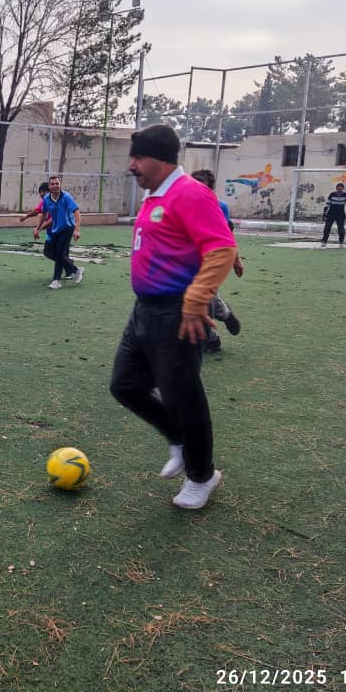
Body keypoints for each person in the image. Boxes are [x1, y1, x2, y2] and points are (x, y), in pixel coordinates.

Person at [110, 124, 238, 509]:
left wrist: (197, 300)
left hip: (179, 312)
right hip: (145, 310)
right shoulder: (156, 195)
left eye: (138, 157)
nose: (132, 165)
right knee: (125, 385)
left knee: (183, 396)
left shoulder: (190, 193)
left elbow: (221, 248)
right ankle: (179, 439)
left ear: (161, 160)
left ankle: (202, 476)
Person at [190, 169, 244, 353]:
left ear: (210, 188)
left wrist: (236, 260)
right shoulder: (184, 205)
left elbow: (228, 235)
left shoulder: (220, 206)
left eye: (202, 185)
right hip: (188, 259)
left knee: (204, 296)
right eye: (194, 184)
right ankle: (225, 315)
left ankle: (211, 338)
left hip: (213, 259)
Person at [34, 175, 82, 289]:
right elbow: (43, 214)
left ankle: (56, 280)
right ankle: (74, 269)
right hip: (56, 228)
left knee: (60, 252)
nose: (55, 186)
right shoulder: (47, 199)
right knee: (48, 252)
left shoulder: (66, 197)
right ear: (49, 187)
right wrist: (37, 229)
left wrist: (77, 230)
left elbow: (76, 212)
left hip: (68, 228)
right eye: (53, 184)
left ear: (60, 185)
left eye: (57, 183)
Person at [20, 181, 56, 264]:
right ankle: (69, 266)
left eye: (44, 191)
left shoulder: (56, 202)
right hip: (50, 232)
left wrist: (39, 229)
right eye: (40, 192)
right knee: (48, 252)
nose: (42, 194)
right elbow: (37, 211)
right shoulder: (44, 202)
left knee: (58, 252)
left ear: (50, 191)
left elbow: (54, 219)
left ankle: (70, 267)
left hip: (60, 231)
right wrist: (26, 217)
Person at [321, 182, 346, 247]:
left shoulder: (345, 195)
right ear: (336, 189)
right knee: (327, 228)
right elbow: (327, 204)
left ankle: (341, 243)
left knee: (341, 229)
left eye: (341, 189)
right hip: (331, 214)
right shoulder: (332, 195)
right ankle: (324, 242)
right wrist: (324, 213)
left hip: (340, 214)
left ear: (343, 189)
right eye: (338, 189)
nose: (339, 191)